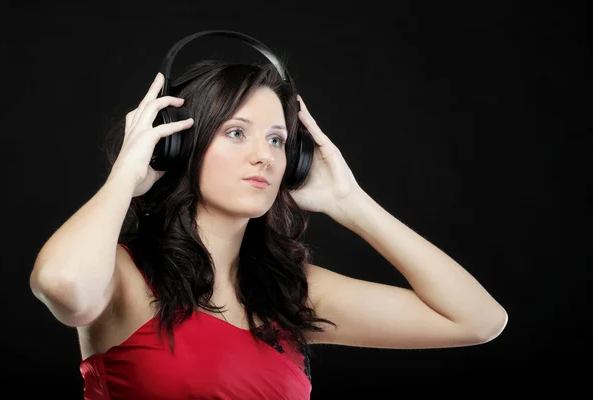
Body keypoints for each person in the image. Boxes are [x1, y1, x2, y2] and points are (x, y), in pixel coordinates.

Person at [29, 59, 508, 400]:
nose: (265, 155)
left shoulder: (289, 292)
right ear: (177, 146)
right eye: (236, 133)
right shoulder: (120, 275)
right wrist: (125, 179)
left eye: (277, 140)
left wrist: (352, 203)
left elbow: (478, 321)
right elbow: (63, 285)